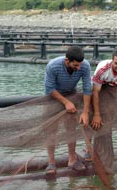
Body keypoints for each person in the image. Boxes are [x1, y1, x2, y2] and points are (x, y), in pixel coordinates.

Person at [44, 46, 92, 175]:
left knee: (71, 128)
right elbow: (49, 88)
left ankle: (71, 159)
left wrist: (85, 112)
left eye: (80, 65)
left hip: (72, 93)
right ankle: (51, 162)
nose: (78, 68)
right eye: (75, 65)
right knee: (51, 130)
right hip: (53, 97)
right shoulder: (53, 66)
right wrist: (65, 102)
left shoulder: (85, 66)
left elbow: (87, 88)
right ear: (67, 61)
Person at [87, 47, 117, 174]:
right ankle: (88, 149)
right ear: (112, 60)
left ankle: (103, 155)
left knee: (109, 118)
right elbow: (95, 92)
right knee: (93, 119)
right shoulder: (103, 69)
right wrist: (97, 114)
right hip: (100, 87)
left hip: (115, 90)